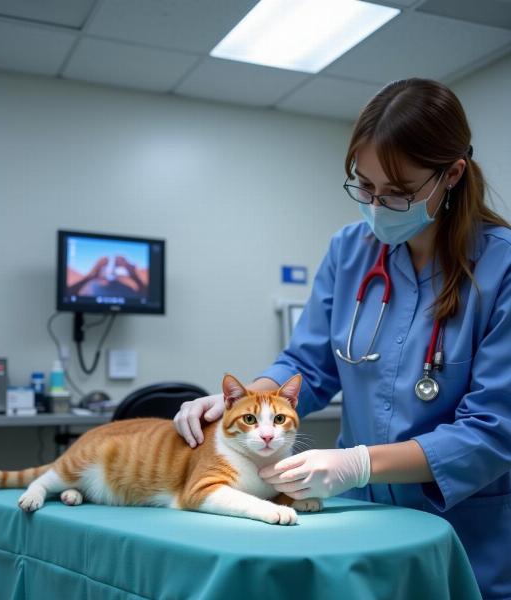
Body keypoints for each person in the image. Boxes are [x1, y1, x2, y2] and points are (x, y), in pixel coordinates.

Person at [174, 78, 511, 599]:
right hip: (362, 519)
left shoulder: (501, 266)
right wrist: (238, 404)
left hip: (465, 530)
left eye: (397, 193)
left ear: (452, 174)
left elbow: (493, 428)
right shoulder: (351, 250)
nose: (375, 206)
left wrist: (359, 462)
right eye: (365, 186)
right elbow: (307, 365)